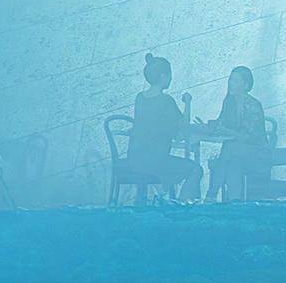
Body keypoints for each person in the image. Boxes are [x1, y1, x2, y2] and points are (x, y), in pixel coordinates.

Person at [106, 52, 193, 203]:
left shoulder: (140, 98)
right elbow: (183, 126)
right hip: (155, 161)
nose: (171, 78)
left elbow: (147, 125)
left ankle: (161, 196)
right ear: (163, 77)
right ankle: (181, 206)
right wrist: (188, 103)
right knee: (195, 170)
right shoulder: (166, 101)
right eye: (169, 74)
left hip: (135, 159)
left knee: (169, 164)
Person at [210, 62, 273, 202]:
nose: (231, 84)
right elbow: (221, 122)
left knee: (230, 148)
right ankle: (235, 202)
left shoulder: (253, 105)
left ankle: (211, 193)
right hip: (237, 154)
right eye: (230, 80)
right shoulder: (228, 102)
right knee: (233, 163)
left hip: (257, 154)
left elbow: (247, 137)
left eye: (235, 81)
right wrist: (213, 126)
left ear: (245, 85)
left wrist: (226, 130)